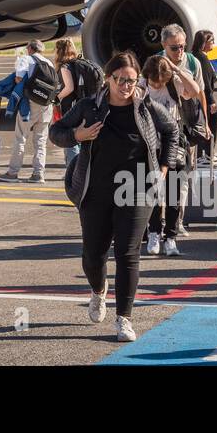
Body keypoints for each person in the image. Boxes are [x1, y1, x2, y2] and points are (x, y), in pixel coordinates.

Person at [51, 52, 180, 343]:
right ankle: (98, 290)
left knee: (127, 253)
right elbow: (55, 132)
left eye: (131, 81)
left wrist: (162, 168)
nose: (125, 86)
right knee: (92, 256)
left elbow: (172, 131)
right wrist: (78, 135)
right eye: (120, 80)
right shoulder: (88, 106)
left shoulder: (146, 107)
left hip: (137, 191)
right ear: (108, 78)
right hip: (95, 191)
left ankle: (124, 319)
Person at [141, 56, 201, 256]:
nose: (158, 84)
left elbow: (195, 91)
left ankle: (171, 237)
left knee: (173, 195)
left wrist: (176, 69)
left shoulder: (174, 83)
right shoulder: (141, 86)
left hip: (173, 143)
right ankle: (154, 233)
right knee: (153, 192)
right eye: (154, 82)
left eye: (161, 81)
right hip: (149, 144)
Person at [0, 41, 56, 183]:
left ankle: (12, 173)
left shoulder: (26, 59)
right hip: (46, 105)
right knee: (40, 141)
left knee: (20, 138)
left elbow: (19, 78)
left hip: (30, 104)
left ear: (30, 48)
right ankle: (38, 174)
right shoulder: (49, 63)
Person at [54, 40, 102, 167]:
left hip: (70, 108)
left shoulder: (65, 66)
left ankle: (73, 169)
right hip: (83, 106)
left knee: (71, 140)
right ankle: (80, 168)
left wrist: (56, 98)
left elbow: (69, 87)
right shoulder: (78, 64)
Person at [191, 29, 217, 150]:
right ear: (204, 42)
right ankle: (207, 153)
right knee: (210, 123)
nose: (214, 42)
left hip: (200, 98)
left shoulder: (198, 56)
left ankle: (205, 153)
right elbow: (206, 83)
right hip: (204, 99)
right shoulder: (202, 58)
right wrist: (211, 101)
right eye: (211, 40)